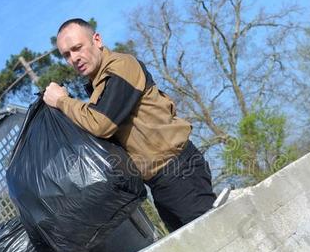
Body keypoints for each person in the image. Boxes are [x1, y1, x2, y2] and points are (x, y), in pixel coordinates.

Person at [43, 18, 216, 232]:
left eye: (78, 48)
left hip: (179, 171)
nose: (74, 58)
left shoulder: (121, 66)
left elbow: (102, 123)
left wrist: (61, 101)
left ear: (97, 40)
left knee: (215, 238)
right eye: (66, 55)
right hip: (159, 182)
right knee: (195, 248)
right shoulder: (97, 87)